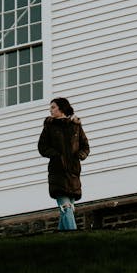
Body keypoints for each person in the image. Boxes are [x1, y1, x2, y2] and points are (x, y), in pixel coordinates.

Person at [37, 97, 90, 231]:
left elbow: (85, 147)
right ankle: (76, 239)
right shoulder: (49, 126)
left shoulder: (76, 126)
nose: (51, 110)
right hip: (57, 172)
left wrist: (79, 155)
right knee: (66, 207)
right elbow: (42, 147)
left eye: (53, 107)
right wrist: (56, 155)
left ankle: (61, 238)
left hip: (73, 173)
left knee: (67, 210)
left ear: (62, 108)